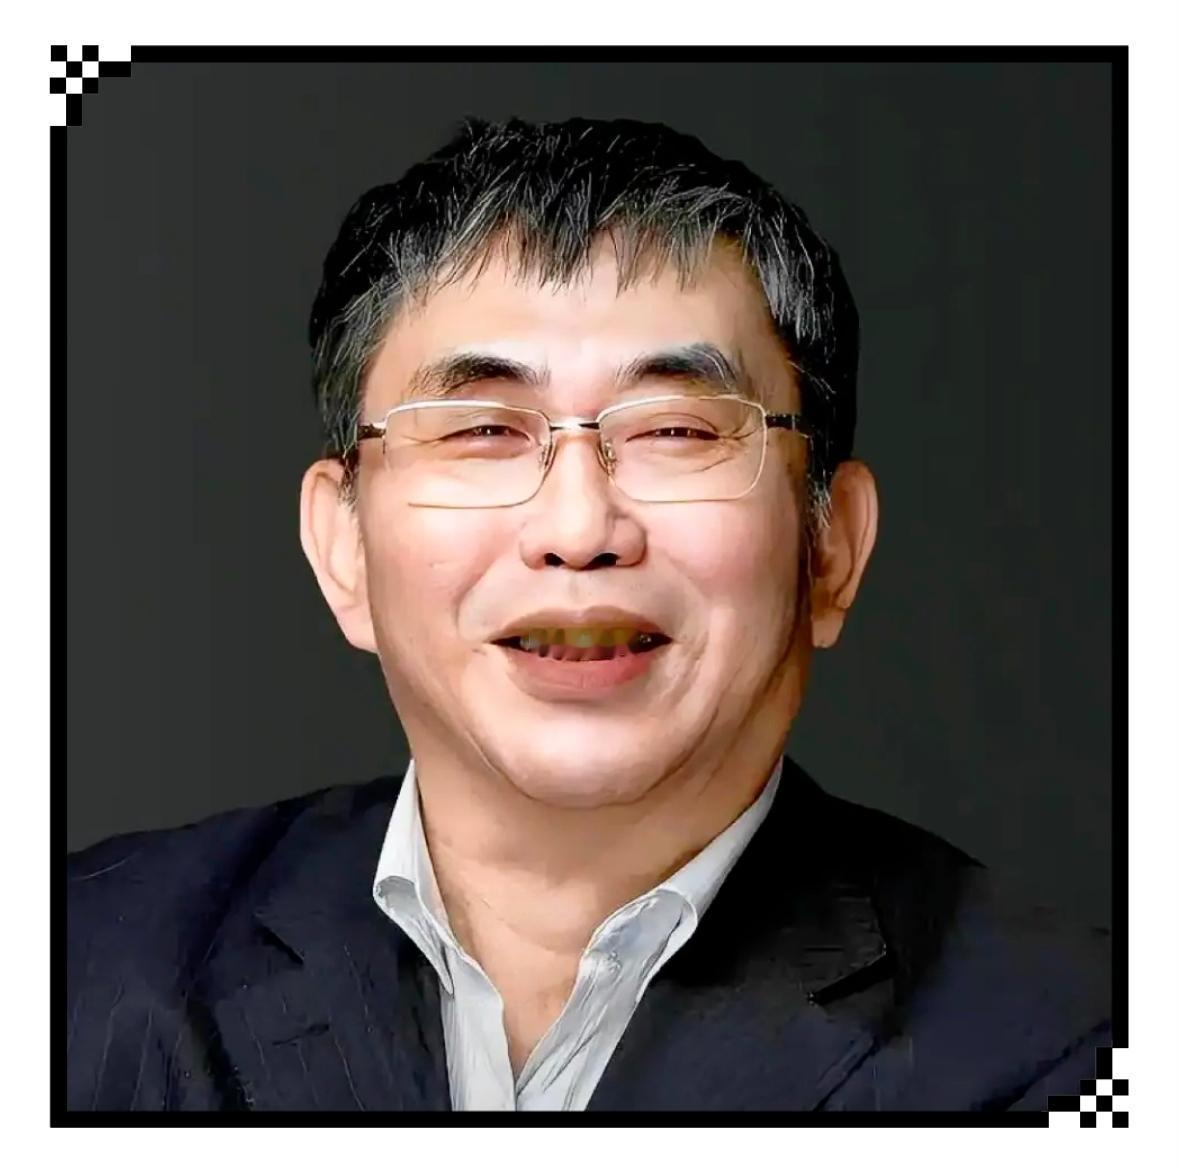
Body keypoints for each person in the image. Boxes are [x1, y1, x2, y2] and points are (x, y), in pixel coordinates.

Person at [66, 117, 1109, 1112]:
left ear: (829, 547)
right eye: (481, 431)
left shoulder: (1077, 1052)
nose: (577, 528)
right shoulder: (71, 969)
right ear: (342, 548)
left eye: (675, 430)